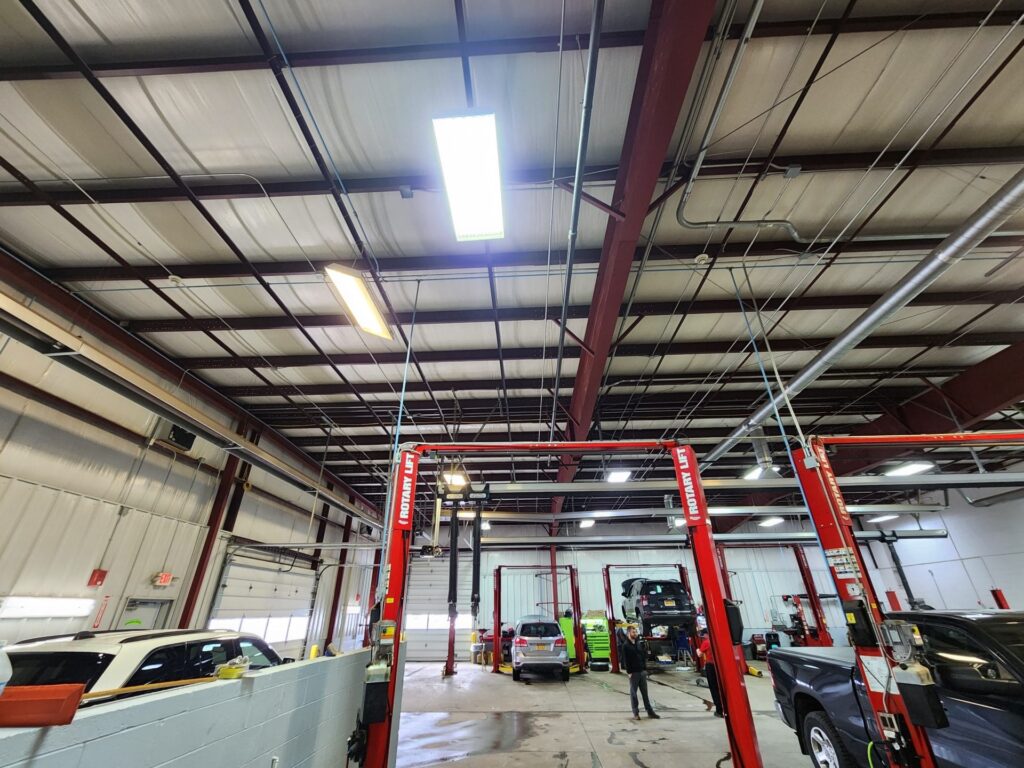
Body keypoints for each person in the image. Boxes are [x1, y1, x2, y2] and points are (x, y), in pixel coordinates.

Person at [621, 626, 660, 720]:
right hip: (633, 673)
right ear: (628, 633)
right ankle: (636, 713)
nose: (635, 634)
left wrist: (644, 669)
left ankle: (650, 712)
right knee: (633, 693)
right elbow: (625, 660)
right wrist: (629, 672)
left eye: (636, 632)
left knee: (645, 694)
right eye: (633, 632)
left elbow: (642, 656)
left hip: (641, 672)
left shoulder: (638, 643)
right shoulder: (625, 645)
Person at [697, 628, 723, 718]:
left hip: (711, 666)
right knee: (721, 687)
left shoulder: (706, 642)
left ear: (706, 634)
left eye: (703, 635)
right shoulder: (718, 640)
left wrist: (697, 649)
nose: (703, 637)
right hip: (720, 666)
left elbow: (699, 654)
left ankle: (719, 710)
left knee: (714, 688)